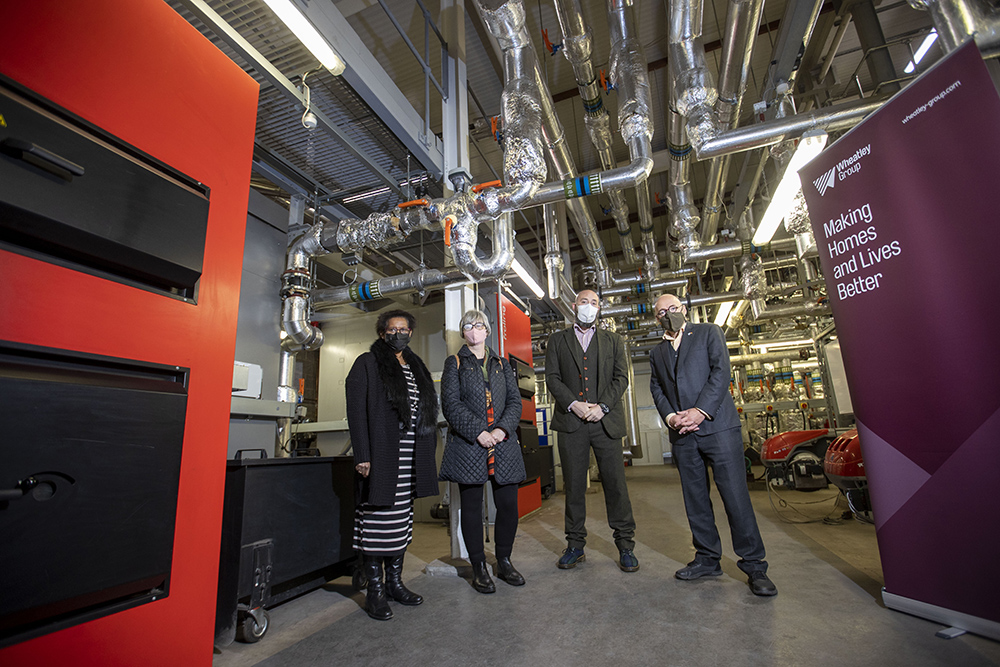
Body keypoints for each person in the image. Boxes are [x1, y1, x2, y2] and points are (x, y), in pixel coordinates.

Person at [648, 293, 777, 597]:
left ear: (685, 310)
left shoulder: (708, 333)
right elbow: (656, 386)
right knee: (695, 500)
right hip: (682, 434)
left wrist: (699, 411)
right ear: (656, 319)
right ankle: (707, 558)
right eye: (661, 312)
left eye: (673, 309)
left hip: (717, 427)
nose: (668, 314)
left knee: (735, 496)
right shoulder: (657, 352)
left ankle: (754, 564)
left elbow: (721, 373)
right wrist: (670, 417)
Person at [345, 309, 440, 620]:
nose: (398, 333)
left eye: (403, 328)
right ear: (382, 332)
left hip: (410, 453)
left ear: (410, 333)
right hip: (382, 453)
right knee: (377, 520)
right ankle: (375, 589)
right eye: (392, 329)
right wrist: (362, 455)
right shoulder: (367, 364)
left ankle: (395, 584)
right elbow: (357, 413)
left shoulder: (415, 365)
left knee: (400, 520)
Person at [544, 289, 638, 572]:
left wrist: (603, 407)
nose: (589, 307)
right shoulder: (557, 340)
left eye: (594, 303)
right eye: (584, 302)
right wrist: (573, 404)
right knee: (573, 486)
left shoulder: (614, 341)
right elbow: (552, 377)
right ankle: (575, 546)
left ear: (600, 309)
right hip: (572, 423)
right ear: (574, 306)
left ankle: (625, 546)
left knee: (615, 486)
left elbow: (621, 377)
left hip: (605, 423)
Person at [440, 309, 527, 593]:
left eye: (479, 325)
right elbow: (451, 404)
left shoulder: (501, 364)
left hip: (503, 445)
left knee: (509, 507)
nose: (474, 330)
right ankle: (478, 565)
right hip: (470, 446)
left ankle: (503, 561)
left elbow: (515, 401)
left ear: (487, 330)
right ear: (463, 332)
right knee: (472, 509)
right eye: (468, 326)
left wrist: (501, 430)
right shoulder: (454, 363)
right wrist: (478, 432)